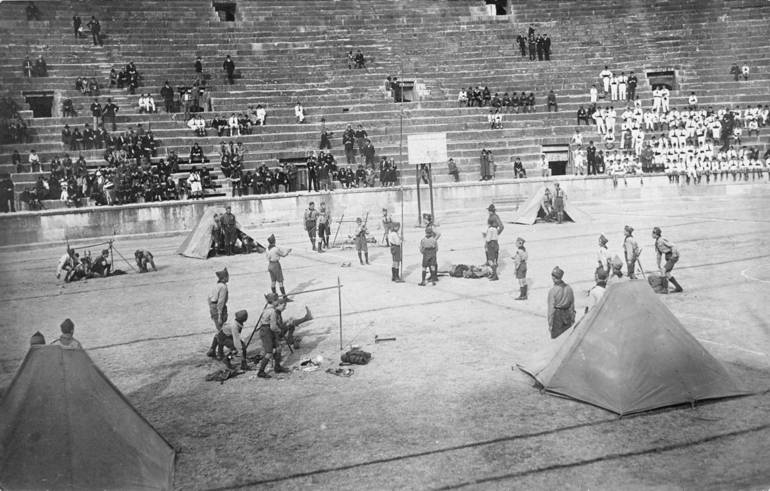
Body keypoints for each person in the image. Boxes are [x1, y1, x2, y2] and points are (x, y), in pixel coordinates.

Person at [256, 293, 313, 378]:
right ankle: (261, 372)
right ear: (275, 302)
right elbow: (273, 326)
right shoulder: (273, 312)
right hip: (267, 332)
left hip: (270, 331)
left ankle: (277, 367)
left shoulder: (270, 309)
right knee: (269, 352)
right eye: (282, 304)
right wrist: (280, 330)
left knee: (278, 348)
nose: (284, 307)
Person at [206, 268, 229, 358]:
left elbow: (209, 298)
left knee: (219, 330)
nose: (228, 278)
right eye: (227, 276)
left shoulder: (217, 285)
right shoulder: (223, 287)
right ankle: (220, 352)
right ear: (224, 278)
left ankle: (212, 349)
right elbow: (221, 302)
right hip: (219, 308)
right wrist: (219, 315)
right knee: (221, 332)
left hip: (213, 306)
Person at [547, 266, 575, 339]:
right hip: (567, 314)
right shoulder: (569, 288)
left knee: (556, 338)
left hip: (557, 315)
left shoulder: (553, 290)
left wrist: (550, 324)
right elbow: (572, 305)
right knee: (566, 338)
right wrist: (572, 318)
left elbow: (551, 310)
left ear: (553, 277)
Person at [653, 226, 683, 293]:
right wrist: (658, 264)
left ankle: (665, 289)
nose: (652, 235)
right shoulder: (657, 242)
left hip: (672, 255)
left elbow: (673, 246)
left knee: (663, 271)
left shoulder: (661, 240)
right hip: (668, 256)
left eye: (653, 233)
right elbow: (659, 254)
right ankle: (678, 288)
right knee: (667, 273)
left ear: (656, 234)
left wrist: (674, 254)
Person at [266, 234, 292, 302]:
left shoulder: (267, 249)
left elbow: (267, 258)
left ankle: (274, 297)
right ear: (274, 241)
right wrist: (288, 251)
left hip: (270, 265)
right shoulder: (275, 249)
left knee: (273, 281)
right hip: (276, 265)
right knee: (280, 282)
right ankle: (284, 297)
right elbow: (283, 255)